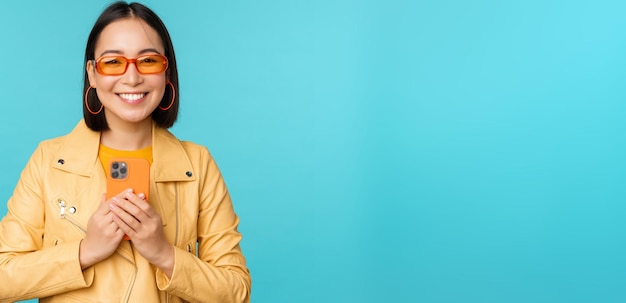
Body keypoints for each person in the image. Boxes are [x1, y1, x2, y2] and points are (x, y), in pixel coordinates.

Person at [0, 2, 251, 302]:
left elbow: (237, 291)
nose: (132, 78)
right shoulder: (49, 161)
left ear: (166, 71)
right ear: (92, 73)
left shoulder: (197, 164)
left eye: (147, 61)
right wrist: (84, 252)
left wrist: (163, 254)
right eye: (113, 62)